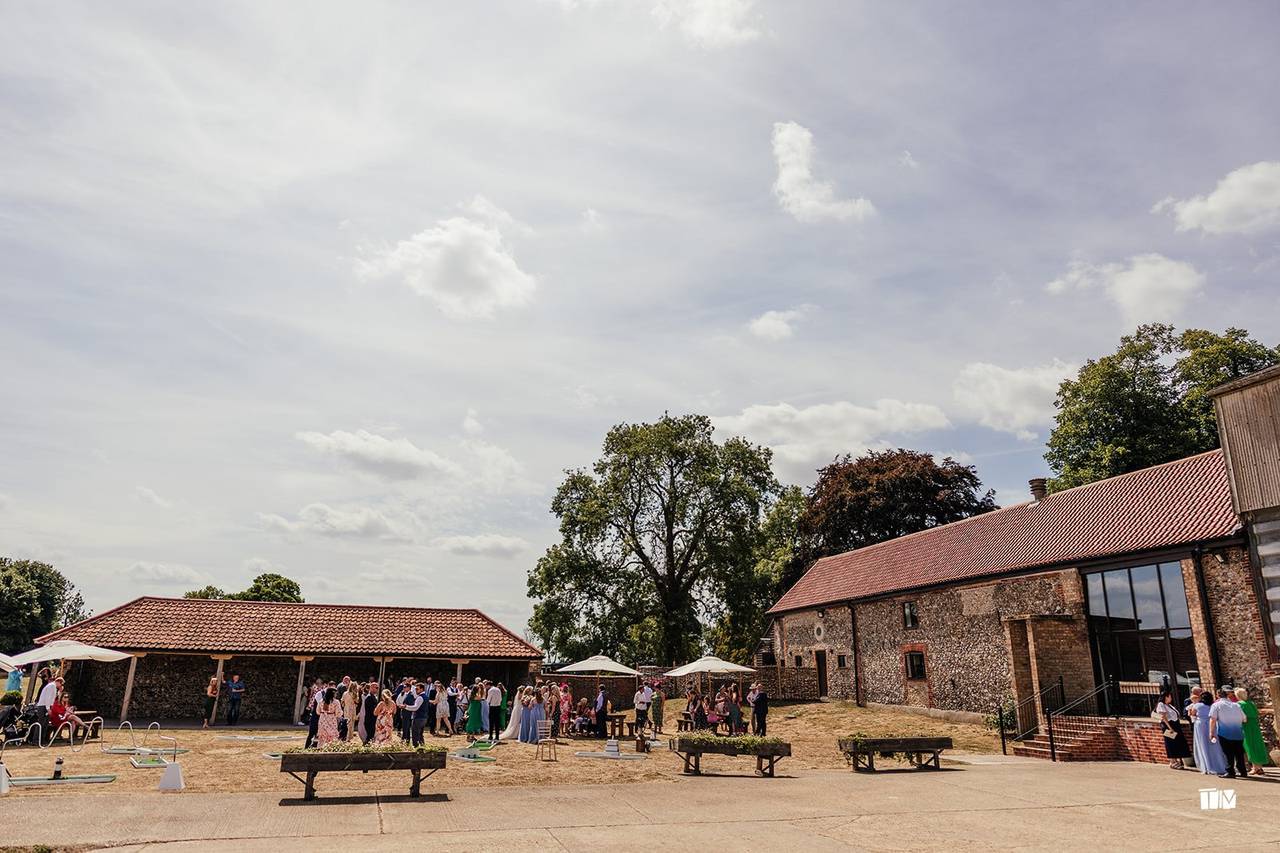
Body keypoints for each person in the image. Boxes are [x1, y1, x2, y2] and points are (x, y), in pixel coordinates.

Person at [1209, 687, 1248, 779]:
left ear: (1218, 695)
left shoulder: (1216, 705)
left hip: (1224, 732)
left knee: (1227, 753)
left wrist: (1211, 732)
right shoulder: (1236, 705)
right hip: (1238, 732)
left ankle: (1230, 771)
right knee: (1239, 753)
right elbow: (1244, 719)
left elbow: (1213, 719)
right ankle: (1243, 771)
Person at [1234, 687, 1271, 775]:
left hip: (1246, 727)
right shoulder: (1251, 703)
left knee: (1249, 746)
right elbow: (1256, 714)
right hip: (1255, 726)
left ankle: (1255, 768)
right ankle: (1259, 767)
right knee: (1257, 745)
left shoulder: (1239, 704)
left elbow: (1242, 718)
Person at [1190, 689, 1227, 776]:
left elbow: (1193, 714)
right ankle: (1219, 764)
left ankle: (1207, 765)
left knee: (1203, 744)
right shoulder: (1213, 706)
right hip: (1212, 725)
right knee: (1214, 745)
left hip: (1200, 725)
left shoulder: (1197, 705)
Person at [1154, 690, 1189, 770]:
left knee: (1177, 743)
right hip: (1169, 726)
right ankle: (1173, 761)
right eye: (1170, 696)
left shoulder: (1169, 705)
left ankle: (1177, 760)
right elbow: (1164, 717)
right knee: (1170, 743)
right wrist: (1170, 728)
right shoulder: (1161, 704)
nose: (1171, 698)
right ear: (1166, 697)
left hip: (1176, 725)